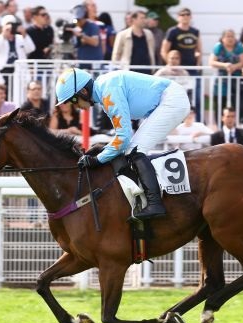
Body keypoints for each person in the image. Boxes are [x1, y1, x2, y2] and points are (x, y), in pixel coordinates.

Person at [55, 68, 190, 219]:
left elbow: (124, 138)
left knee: (134, 149)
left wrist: (98, 159)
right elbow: (122, 137)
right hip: (168, 100)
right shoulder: (105, 90)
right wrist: (103, 152)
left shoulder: (108, 92)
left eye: (73, 100)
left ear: (84, 92)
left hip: (171, 100)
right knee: (132, 149)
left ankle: (155, 203)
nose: (75, 106)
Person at [209, 29, 243, 116]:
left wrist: (234, 66)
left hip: (236, 80)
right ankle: (220, 125)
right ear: (222, 38)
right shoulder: (218, 47)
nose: (230, 38)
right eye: (228, 36)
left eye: (232, 36)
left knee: (238, 104)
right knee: (220, 104)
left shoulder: (239, 47)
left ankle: (237, 124)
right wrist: (224, 65)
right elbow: (211, 62)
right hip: (221, 81)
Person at [0, 14, 34, 86]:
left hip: (19, 72)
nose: (11, 28)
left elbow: (31, 49)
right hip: (3, 72)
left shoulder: (21, 38)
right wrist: (4, 34)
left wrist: (24, 34)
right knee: (2, 94)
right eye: (8, 25)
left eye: (13, 25)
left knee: (18, 94)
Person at [71, 4, 103, 68]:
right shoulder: (76, 27)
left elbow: (95, 42)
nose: (77, 22)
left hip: (93, 66)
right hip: (82, 65)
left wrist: (81, 35)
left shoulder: (92, 26)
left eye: (79, 19)